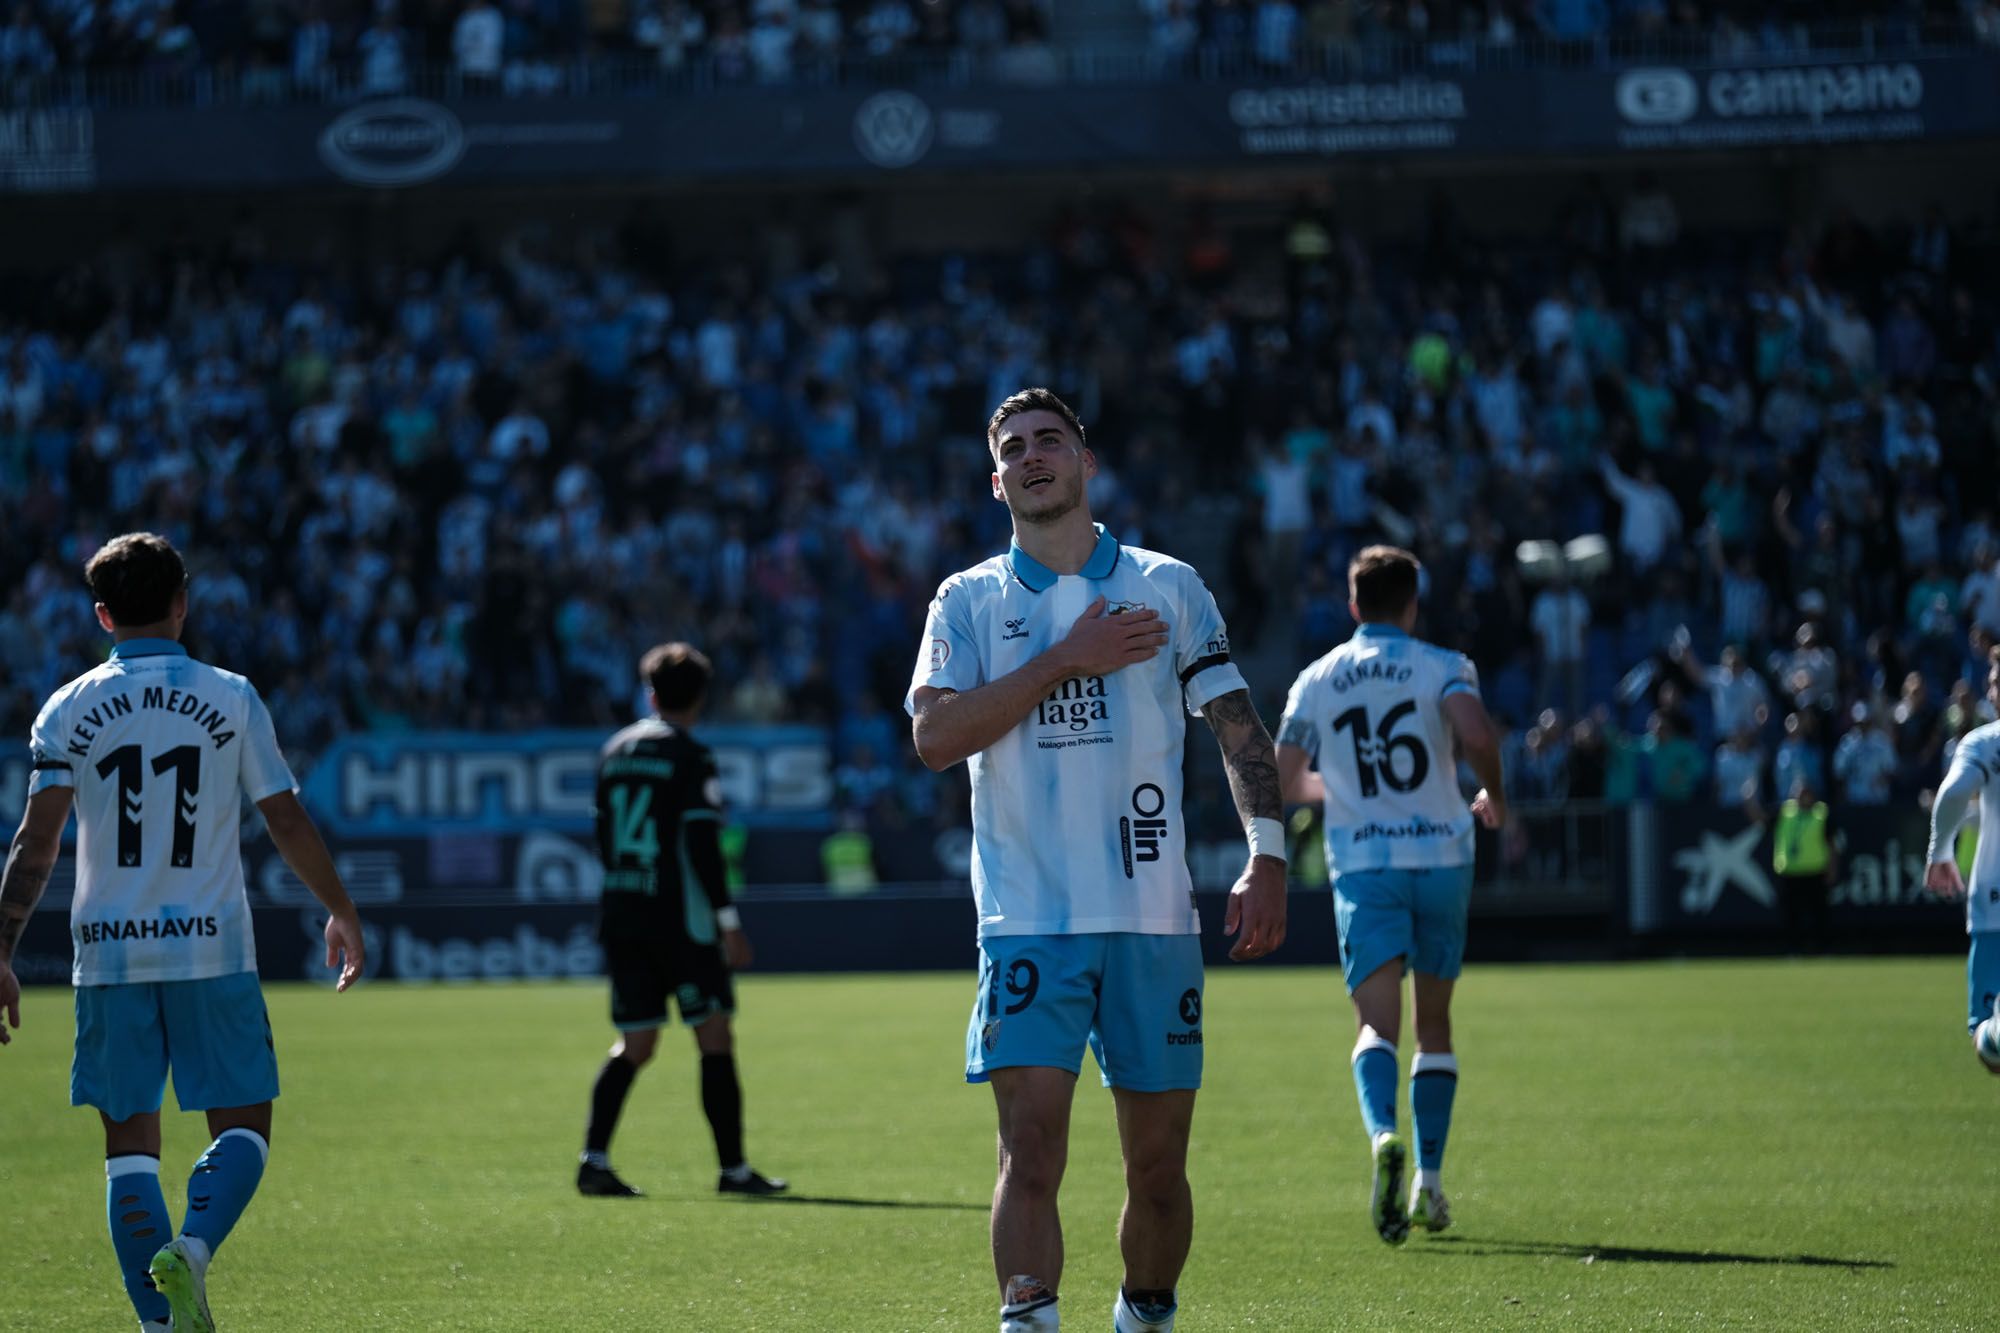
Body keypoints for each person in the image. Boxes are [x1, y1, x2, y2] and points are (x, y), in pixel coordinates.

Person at [907, 388, 1287, 1333]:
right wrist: (1065, 659)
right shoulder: (967, 599)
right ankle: (1029, 1320)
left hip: (1152, 921)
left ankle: (1144, 1315)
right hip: (1028, 918)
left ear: (1085, 463)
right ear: (996, 482)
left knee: (1158, 1173)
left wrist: (1267, 853)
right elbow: (936, 737)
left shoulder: (1168, 584)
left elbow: (1238, 729)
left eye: (1050, 440)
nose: (1033, 456)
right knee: (1028, 1154)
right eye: (1014, 449)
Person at [0, 532, 366, 1333]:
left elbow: (37, 841)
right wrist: (339, 907)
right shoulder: (231, 696)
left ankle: (159, 1327)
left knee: (129, 1147)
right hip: (212, 948)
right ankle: (193, 1248)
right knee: (246, 1127)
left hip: (108, 955)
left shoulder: (67, 707)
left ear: (103, 615)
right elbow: (284, 817)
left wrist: (0, 947)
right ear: (182, 604)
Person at [1275, 545, 1505, 1244]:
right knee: (1433, 1024)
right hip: (1440, 853)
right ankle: (1429, 1183)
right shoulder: (1443, 665)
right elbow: (1473, 731)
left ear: (1352, 606)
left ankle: (1383, 1137)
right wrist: (1492, 790)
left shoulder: (1317, 679)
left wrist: (1335, 789)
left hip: (1367, 861)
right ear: (1413, 604)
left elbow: (1283, 777)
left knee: (1376, 1025)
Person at [576, 642, 787, 1198]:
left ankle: (593, 1160)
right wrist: (728, 922)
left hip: (623, 913)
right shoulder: (691, 758)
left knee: (636, 1043)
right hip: (681, 921)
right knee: (714, 1036)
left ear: (650, 694)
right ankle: (733, 1170)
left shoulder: (614, 751)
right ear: (700, 697)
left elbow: (601, 837)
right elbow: (701, 845)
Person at [1923, 646, 2000, 1073]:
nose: (1990, 690)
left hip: (1995, 908)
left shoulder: (1987, 741)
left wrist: (1940, 850)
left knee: (1990, 1052)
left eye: (1994, 681)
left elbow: (1953, 793)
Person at [1769, 777, 1837, 954]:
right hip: (1790, 872)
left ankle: (1823, 949)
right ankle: (1793, 949)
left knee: (1819, 914)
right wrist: (1749, 799)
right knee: (1791, 915)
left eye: (1805, 793)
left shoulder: (1821, 813)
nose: (1802, 797)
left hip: (1815, 871)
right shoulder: (1784, 812)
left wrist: (1832, 869)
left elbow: (1832, 845)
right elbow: (1760, 819)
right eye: (1798, 793)